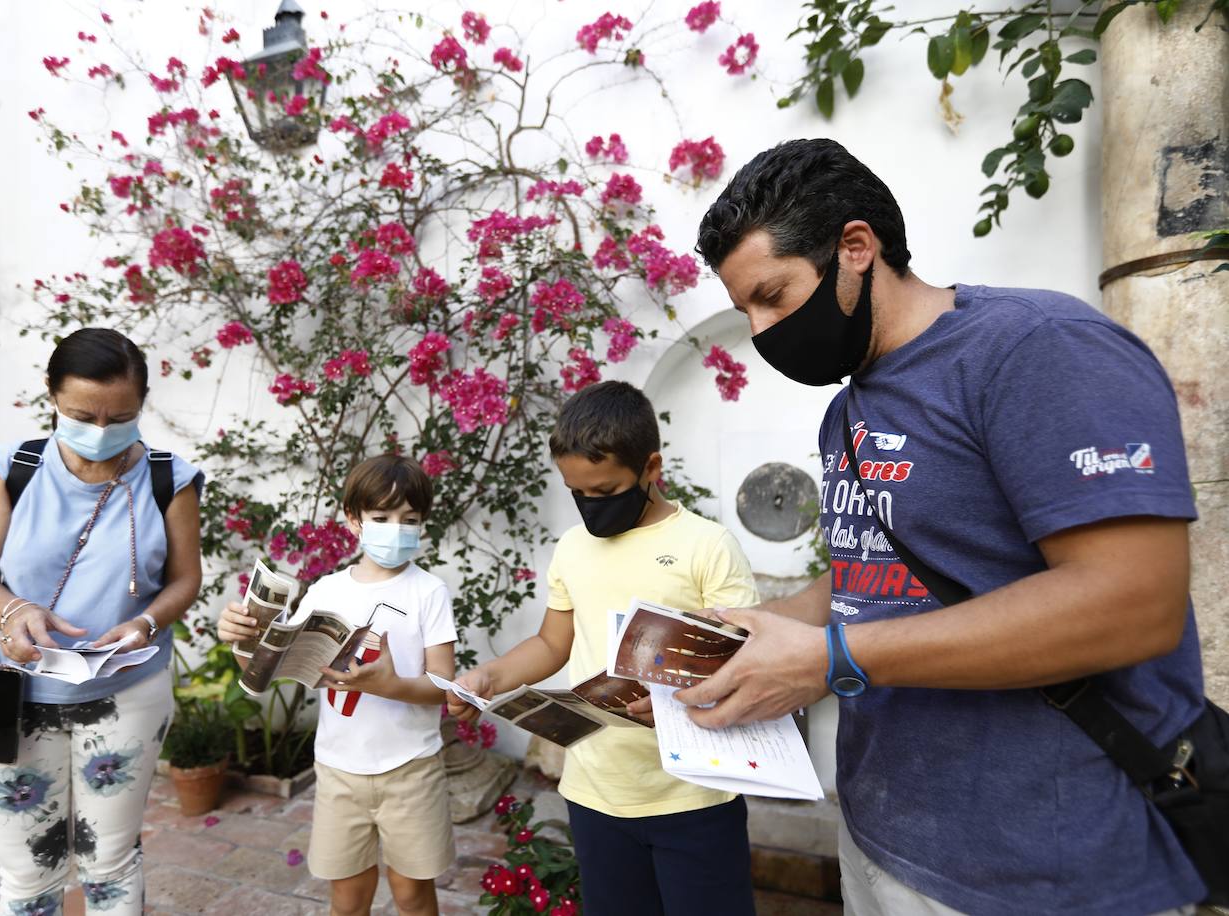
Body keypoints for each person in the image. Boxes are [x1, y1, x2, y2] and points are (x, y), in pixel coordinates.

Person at [685, 138, 1206, 915]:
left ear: (855, 249)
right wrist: (760, 628)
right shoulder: (850, 405)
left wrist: (830, 659)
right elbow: (881, 573)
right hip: (880, 840)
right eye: (745, 312)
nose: (761, 333)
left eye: (773, 295)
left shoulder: (1036, 348)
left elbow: (1135, 601)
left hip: (1045, 873)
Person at [449, 380, 761, 915]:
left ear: (651, 468)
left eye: (605, 491)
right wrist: (491, 676)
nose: (590, 507)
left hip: (693, 794)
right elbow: (552, 641)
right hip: (595, 791)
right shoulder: (573, 547)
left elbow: (748, 659)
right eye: (577, 494)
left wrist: (676, 699)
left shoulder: (706, 546)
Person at [0, 327, 203, 915]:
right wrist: (14, 612)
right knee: (27, 872)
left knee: (110, 864)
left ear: (142, 404)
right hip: (11, 693)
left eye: (120, 416)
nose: (99, 431)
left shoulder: (170, 479)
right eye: (80, 414)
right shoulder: (13, 469)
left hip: (126, 693)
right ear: (51, 393)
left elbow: (186, 580)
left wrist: (145, 624)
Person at [217, 454, 456, 916]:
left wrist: (390, 685)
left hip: (411, 769)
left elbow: (444, 685)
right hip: (338, 768)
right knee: (347, 898)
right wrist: (242, 636)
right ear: (354, 520)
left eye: (409, 520)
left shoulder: (429, 592)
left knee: (411, 892)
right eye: (381, 518)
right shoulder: (327, 590)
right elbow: (280, 661)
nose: (396, 529)